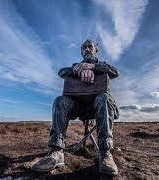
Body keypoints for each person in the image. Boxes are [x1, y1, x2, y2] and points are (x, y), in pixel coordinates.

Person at [31, 39, 120, 176]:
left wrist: (93, 67)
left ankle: (105, 153)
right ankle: (56, 151)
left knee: (103, 98)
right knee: (60, 101)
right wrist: (75, 69)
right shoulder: (75, 66)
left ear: (96, 49)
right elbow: (61, 72)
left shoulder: (103, 65)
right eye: (84, 47)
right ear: (81, 51)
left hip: (100, 106)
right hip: (79, 107)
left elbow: (115, 72)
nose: (87, 49)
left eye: (90, 46)